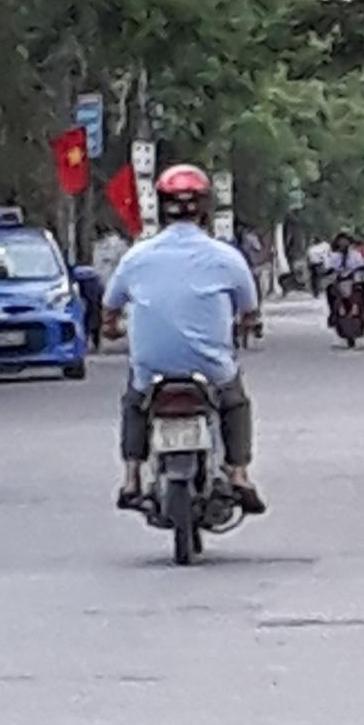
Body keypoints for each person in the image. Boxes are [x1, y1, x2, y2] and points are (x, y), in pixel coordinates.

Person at [104, 163, 266, 512]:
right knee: (234, 402)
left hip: (151, 367)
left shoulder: (136, 257)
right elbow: (250, 310)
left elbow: (110, 309)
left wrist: (112, 327)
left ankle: (131, 477)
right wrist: (245, 324)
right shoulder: (227, 257)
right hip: (210, 367)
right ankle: (238, 473)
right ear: (206, 208)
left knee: (135, 401)